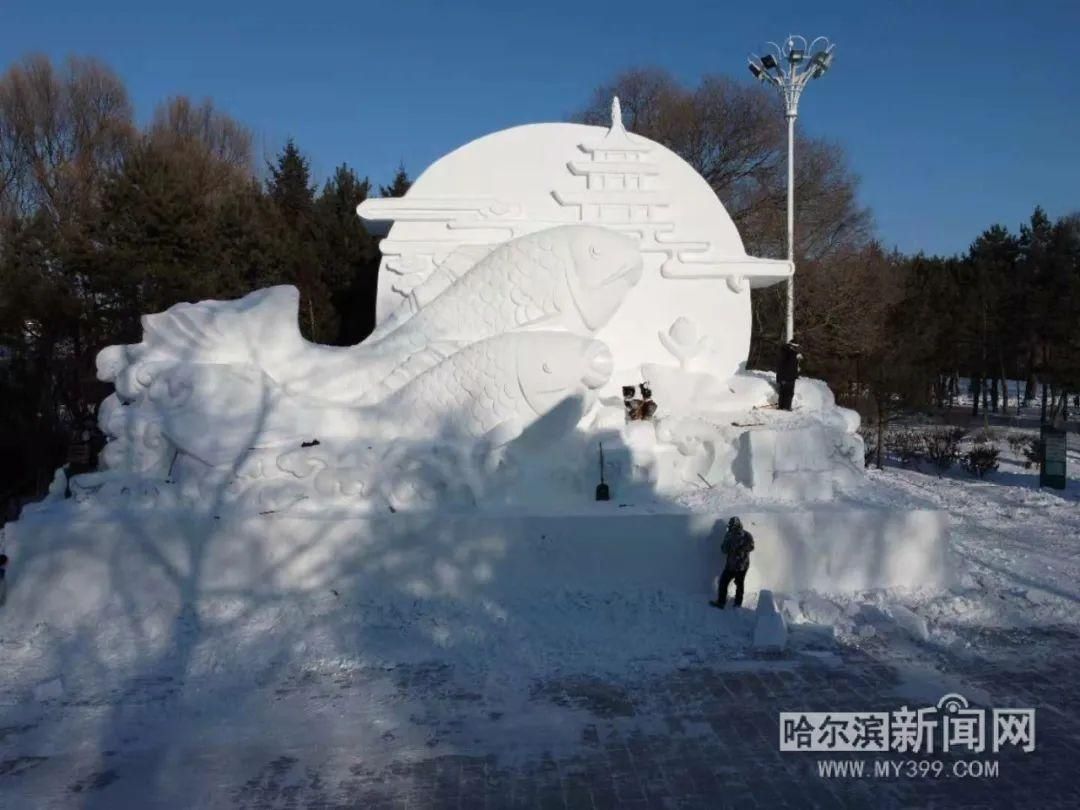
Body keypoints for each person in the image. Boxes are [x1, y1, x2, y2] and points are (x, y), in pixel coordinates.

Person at [710, 517, 754, 609]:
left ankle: (724, 603)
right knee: (736, 583)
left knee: (727, 583)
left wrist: (738, 548)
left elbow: (724, 549)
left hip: (736, 565)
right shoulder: (745, 534)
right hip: (739, 565)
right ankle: (735, 604)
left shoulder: (733, 535)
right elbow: (751, 547)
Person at [776, 341, 802, 411]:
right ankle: (787, 407)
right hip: (789, 377)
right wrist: (796, 373)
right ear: (792, 346)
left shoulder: (782, 352)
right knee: (789, 393)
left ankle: (781, 406)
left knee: (782, 392)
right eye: (796, 347)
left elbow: (780, 366)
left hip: (781, 377)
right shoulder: (792, 354)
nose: (797, 348)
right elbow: (791, 368)